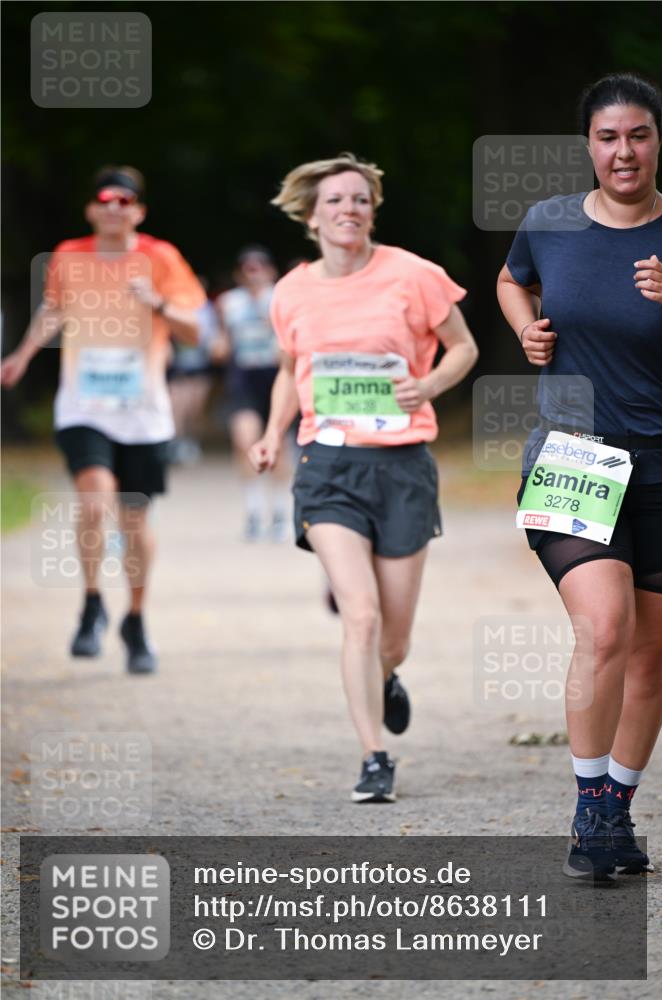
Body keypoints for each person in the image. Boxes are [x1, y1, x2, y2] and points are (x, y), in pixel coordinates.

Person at [249, 153, 479, 802]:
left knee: (393, 637)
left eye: (359, 200)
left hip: (403, 465)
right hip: (327, 466)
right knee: (361, 614)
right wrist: (270, 435)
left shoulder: (414, 276)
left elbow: (463, 346)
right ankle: (374, 756)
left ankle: (385, 678)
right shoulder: (291, 290)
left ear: (372, 210)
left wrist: (427, 384)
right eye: (335, 201)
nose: (348, 210)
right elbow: (289, 369)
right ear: (311, 216)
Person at [497, 74, 662, 879]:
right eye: (607, 137)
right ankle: (588, 801)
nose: (622, 151)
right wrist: (526, 325)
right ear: (588, 146)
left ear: (656, 140)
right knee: (603, 629)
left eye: (636, 135)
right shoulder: (549, 223)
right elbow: (510, 277)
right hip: (573, 458)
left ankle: (616, 812)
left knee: (651, 655)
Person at [0, 166, 205, 673]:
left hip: (142, 410)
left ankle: (135, 618)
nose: (114, 207)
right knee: (93, 503)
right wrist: (23, 354)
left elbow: (195, 333)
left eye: (125, 200)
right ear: (92, 209)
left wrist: (156, 302)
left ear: (139, 210)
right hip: (83, 405)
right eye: (104, 199)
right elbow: (54, 309)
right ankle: (92, 603)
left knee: (133, 517)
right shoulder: (69, 256)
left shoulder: (160, 257)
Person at [216, 246, 292, 541]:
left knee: (280, 447)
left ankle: (280, 513)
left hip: (276, 381)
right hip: (243, 382)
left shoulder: (282, 299)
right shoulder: (228, 303)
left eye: (259, 267)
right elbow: (220, 345)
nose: (254, 273)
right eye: (247, 268)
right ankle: (254, 511)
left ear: (270, 271)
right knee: (245, 442)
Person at [167, 277, 221, 464]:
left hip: (200, 367)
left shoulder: (207, 311)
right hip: (178, 368)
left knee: (195, 409)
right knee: (177, 407)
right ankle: (176, 443)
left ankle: (191, 441)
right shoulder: (172, 307)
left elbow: (212, 337)